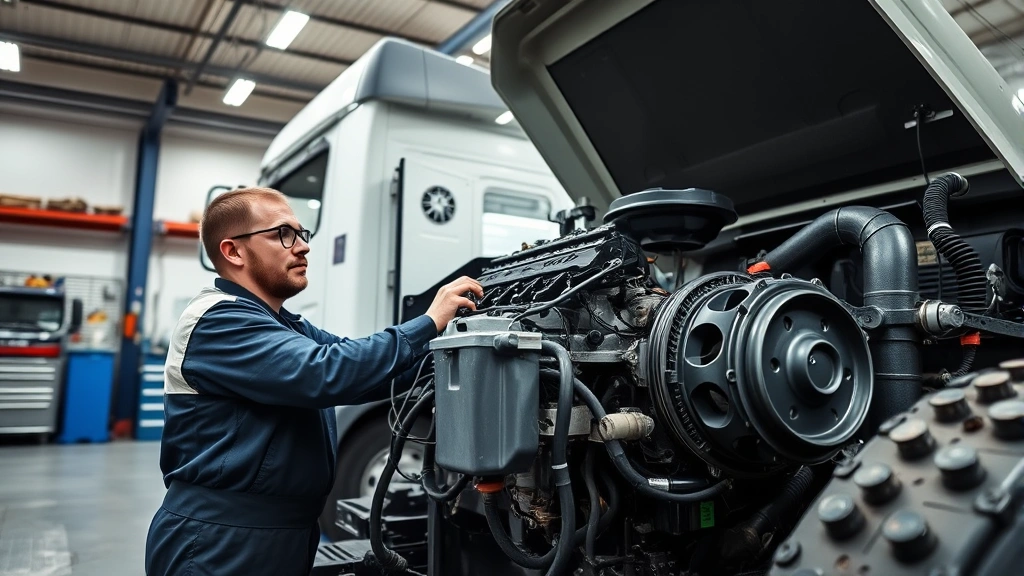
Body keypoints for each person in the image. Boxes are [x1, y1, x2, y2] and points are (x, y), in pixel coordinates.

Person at [145, 187, 482, 575]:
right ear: (233, 251)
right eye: (283, 234)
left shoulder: (287, 324)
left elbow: (371, 376)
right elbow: (326, 372)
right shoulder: (216, 320)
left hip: (280, 534)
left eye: (303, 234)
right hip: (219, 542)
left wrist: (464, 347)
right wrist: (428, 322)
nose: (302, 247)